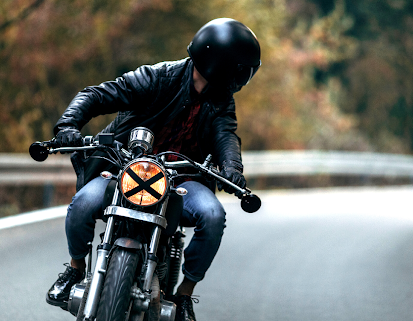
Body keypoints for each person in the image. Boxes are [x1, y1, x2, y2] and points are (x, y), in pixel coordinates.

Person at [45, 18, 261, 321]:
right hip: (124, 168)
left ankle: (184, 294)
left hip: (181, 179)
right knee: (83, 204)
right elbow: (97, 95)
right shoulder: (157, 77)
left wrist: (231, 168)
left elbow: (226, 136)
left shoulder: (221, 102)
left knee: (213, 216)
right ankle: (75, 269)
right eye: (242, 69)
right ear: (226, 66)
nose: (243, 76)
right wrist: (68, 124)